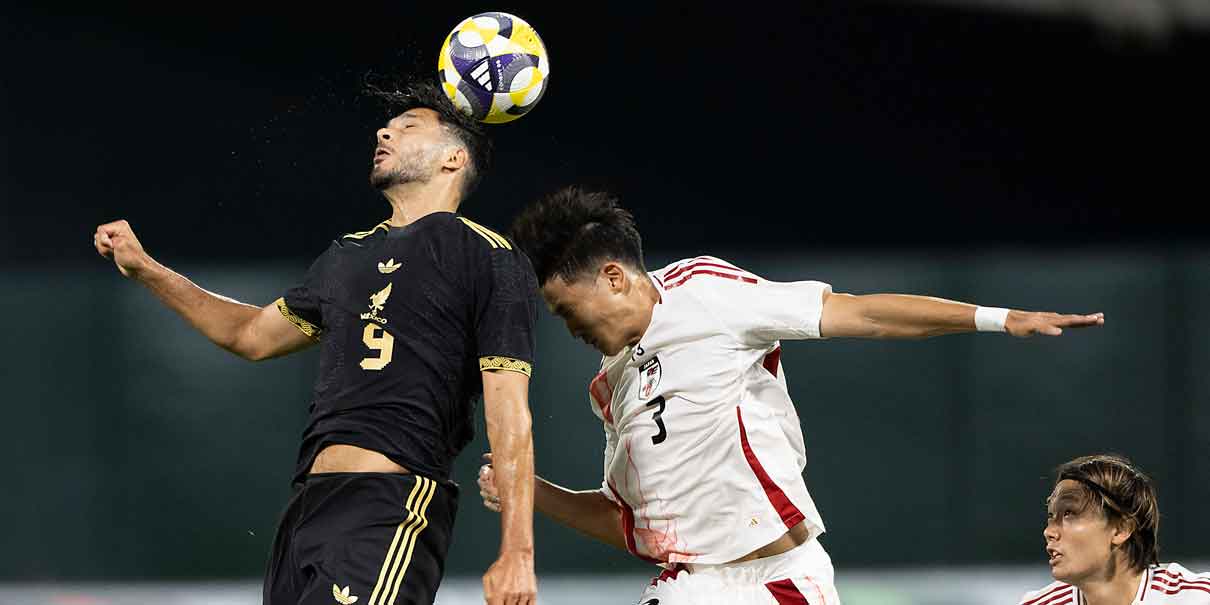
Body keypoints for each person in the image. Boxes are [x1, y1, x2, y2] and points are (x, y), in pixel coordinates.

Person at [477, 186, 1105, 604]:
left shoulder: (706, 293)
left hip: (781, 580)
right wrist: (530, 492)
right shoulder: (608, 389)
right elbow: (637, 527)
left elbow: (861, 314)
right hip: (690, 587)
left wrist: (997, 318)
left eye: (566, 310)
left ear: (614, 277)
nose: (569, 328)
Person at [92, 82, 539, 605]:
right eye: (387, 126)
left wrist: (518, 553)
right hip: (306, 514)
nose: (384, 130)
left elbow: (510, 412)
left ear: (454, 159)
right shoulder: (344, 255)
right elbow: (250, 335)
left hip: (390, 507)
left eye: (408, 126)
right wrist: (146, 270)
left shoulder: (488, 255)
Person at [1021, 454, 1209, 605]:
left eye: (1069, 513)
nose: (1049, 532)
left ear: (1121, 529)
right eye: (1051, 516)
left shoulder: (1198, 597)